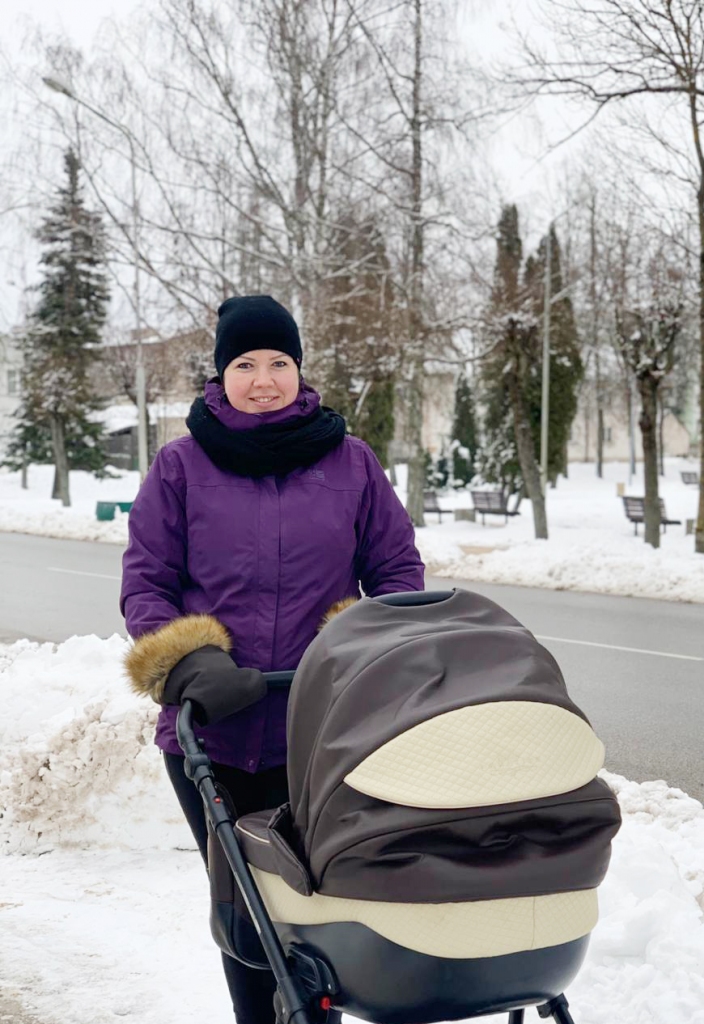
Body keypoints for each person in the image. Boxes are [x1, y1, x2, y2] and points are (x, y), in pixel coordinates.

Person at [120, 294, 425, 1024]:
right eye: (246, 364)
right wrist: (189, 663)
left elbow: (396, 573)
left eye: (279, 362)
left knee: (321, 907)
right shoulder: (180, 466)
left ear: (300, 369)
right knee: (249, 916)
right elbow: (147, 584)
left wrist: (358, 646)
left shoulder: (350, 462)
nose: (264, 379)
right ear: (221, 374)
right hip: (212, 735)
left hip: (324, 731)